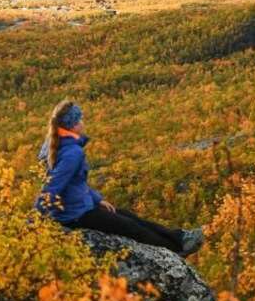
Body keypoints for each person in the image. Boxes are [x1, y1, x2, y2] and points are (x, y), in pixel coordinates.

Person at [34, 99, 204, 256]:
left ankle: (180, 237)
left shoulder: (56, 145)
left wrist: (96, 199)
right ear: (72, 126)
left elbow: (74, 184)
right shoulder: (72, 153)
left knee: (129, 216)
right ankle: (175, 250)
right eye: (79, 120)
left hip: (79, 206)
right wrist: (34, 223)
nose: (83, 123)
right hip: (75, 215)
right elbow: (52, 188)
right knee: (129, 227)